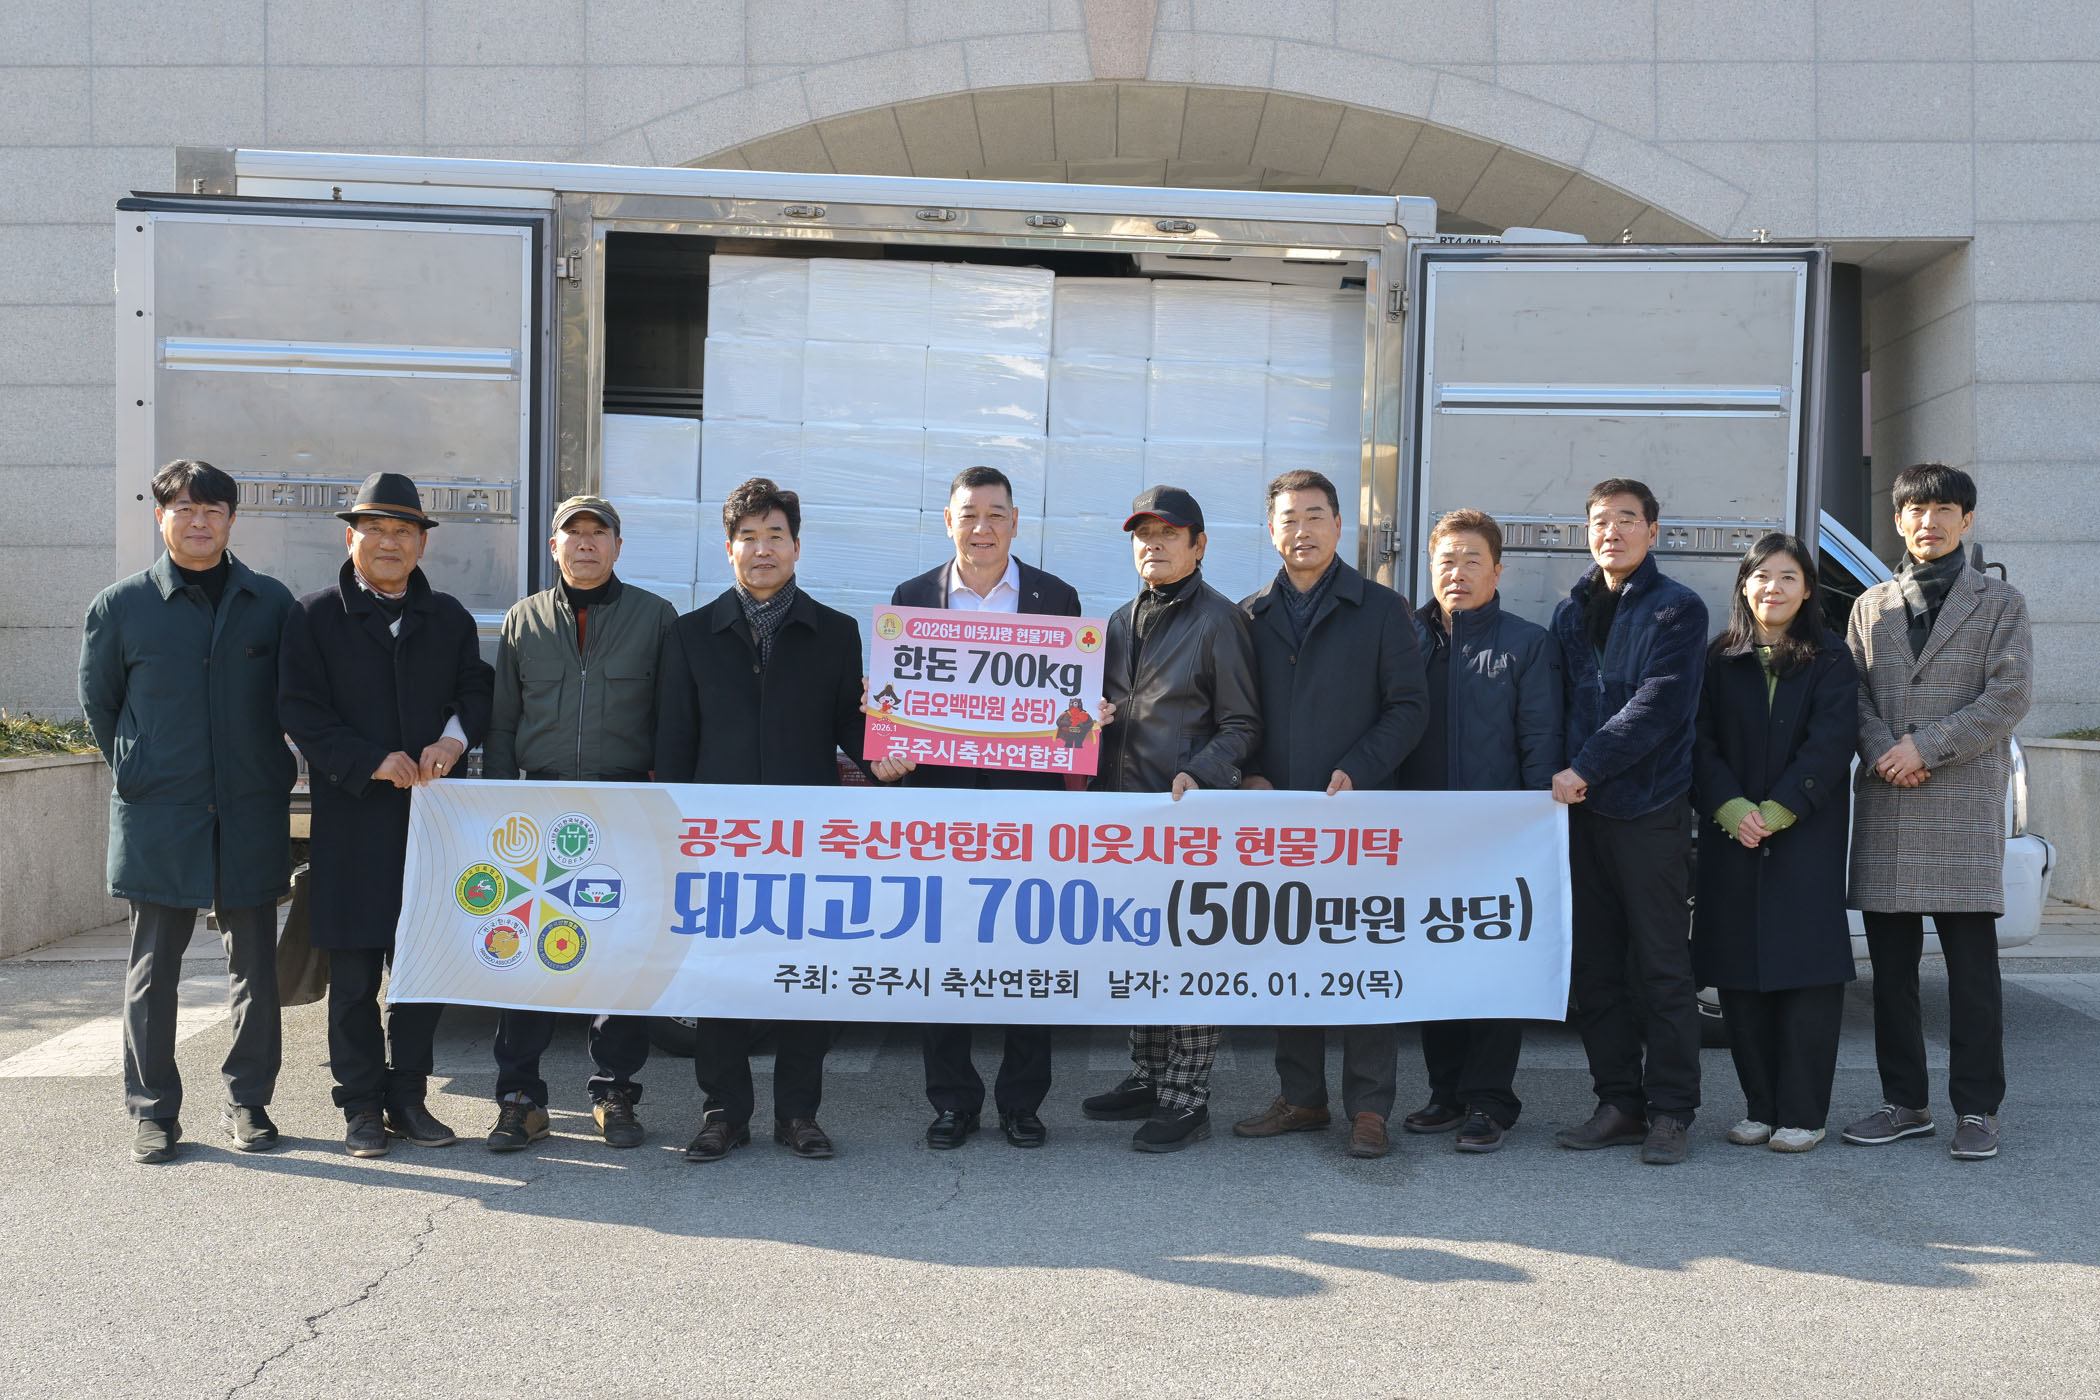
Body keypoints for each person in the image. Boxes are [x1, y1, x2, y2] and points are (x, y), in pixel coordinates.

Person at [655, 477, 904, 1163]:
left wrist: (885, 758)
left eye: (775, 536)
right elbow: (674, 742)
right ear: (728, 548)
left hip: (807, 838)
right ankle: (724, 1112)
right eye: (748, 537)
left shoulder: (836, 633)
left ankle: (799, 1113)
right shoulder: (690, 635)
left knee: (805, 976)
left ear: (797, 546)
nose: (761, 550)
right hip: (719, 841)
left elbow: (851, 725)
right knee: (719, 976)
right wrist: (675, 834)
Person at [78, 459, 298, 1164]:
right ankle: (152, 1113)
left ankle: (249, 1102)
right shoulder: (121, 606)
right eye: (184, 510)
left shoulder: (270, 603)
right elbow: (101, 704)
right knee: (152, 969)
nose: (198, 522)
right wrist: (139, 766)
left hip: (248, 808)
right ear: (161, 516)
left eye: (212, 510)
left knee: (255, 965)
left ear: (231, 520)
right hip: (160, 811)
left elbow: (295, 698)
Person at [278, 472, 493, 1159]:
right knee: (353, 977)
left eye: (404, 531)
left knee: (422, 972)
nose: (390, 543)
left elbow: (476, 690)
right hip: (353, 822)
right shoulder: (314, 616)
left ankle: (409, 1097)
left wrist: (454, 740)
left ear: (422, 544)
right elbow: (300, 710)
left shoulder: (449, 618)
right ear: (351, 539)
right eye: (375, 529)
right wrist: (369, 760)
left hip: (432, 825)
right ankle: (361, 1104)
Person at [883, 465, 1083, 1152]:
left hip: (1028, 808)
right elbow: (897, 704)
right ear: (948, 522)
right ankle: (953, 1102)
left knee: (1028, 951)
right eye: (969, 514)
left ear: (1016, 522)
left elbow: (1069, 714)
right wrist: (885, 723)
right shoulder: (912, 598)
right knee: (945, 952)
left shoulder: (1056, 598)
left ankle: (1023, 1103)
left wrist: (1087, 720)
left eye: (996, 514)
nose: (982, 527)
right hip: (939, 807)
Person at [1232, 470, 1428, 1160]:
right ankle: (1301, 1096)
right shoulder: (1249, 615)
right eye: (1288, 518)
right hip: (1278, 820)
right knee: (1290, 955)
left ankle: (1370, 1108)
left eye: (1315, 516)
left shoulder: (1383, 609)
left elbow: (1409, 707)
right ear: (1271, 531)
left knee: (1361, 958)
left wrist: (1360, 768)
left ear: (1339, 526)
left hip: (1360, 818)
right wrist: (1249, 772)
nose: (1302, 530)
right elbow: (1235, 712)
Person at [1839, 463, 2032, 1161]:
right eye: (1917, 511)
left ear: (1967, 520)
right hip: (1889, 801)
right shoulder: (1870, 605)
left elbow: (2008, 696)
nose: (1930, 522)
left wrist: (1924, 747)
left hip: (1960, 802)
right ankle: (1905, 1103)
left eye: (1945, 510)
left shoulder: (2001, 602)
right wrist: (1885, 751)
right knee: (1890, 976)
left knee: (1972, 974)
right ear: (1898, 521)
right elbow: (1851, 694)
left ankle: (1978, 1108)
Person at [479, 496, 676, 1154]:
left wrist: (667, 800)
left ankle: (614, 1092)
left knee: (622, 951)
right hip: (542, 809)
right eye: (573, 533)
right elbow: (502, 721)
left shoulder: (655, 616)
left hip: (626, 806)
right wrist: (501, 804)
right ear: (553, 545)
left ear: (618, 545)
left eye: (599, 533)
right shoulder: (523, 619)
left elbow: (672, 718)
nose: (585, 543)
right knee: (528, 950)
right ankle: (520, 1098)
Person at [1081, 485, 1260, 1152]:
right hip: (1124, 818)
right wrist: (1083, 724)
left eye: (1168, 534)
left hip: (1188, 820)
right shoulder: (1118, 621)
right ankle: (1150, 1076)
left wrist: (1202, 773)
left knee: (1187, 956)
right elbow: (1092, 717)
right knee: (1139, 949)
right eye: (1143, 536)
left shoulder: (1219, 621)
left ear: (1198, 545)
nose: (1152, 546)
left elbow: (1243, 724)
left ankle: (1188, 1097)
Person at [1549, 478, 1708, 1166]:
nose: (1610, 531)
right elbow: (1554, 704)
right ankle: (1618, 1102)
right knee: (1594, 969)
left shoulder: (1678, 608)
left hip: (1649, 809)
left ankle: (1671, 1112)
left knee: (1662, 968)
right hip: (1580, 816)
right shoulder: (1570, 612)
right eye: (1599, 521)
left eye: (1625, 519)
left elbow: (1660, 703)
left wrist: (1584, 765)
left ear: (1653, 531)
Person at [1394, 508, 1563, 1154]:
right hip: (1420, 836)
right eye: (1447, 561)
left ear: (1498, 570)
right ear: (1429, 567)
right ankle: (1446, 1093)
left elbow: (1540, 741)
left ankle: (1490, 1101)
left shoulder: (1526, 644)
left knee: (1495, 968)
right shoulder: (1405, 639)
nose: (1457, 573)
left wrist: (1535, 828)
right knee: (1435, 964)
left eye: (1472, 561)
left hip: (1501, 838)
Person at [1691, 534, 1859, 1153]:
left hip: (1803, 837)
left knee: (1805, 975)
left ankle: (1804, 1113)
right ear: (1744, 585)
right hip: (1731, 834)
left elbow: (1832, 742)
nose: (1773, 588)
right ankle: (1760, 1107)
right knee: (1740, 977)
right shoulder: (1718, 658)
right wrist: (1731, 808)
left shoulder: (1831, 658)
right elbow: (1697, 742)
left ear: (1807, 589)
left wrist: (1781, 808)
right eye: (1761, 576)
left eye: (1788, 577)